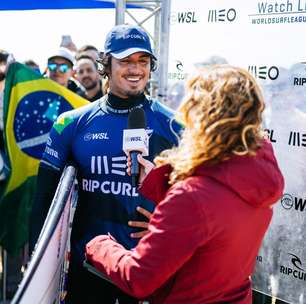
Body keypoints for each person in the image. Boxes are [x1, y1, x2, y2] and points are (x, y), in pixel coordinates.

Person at [85, 65, 285, 303]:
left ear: (203, 116)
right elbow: (211, 225)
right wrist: (157, 180)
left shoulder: (192, 197)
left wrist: (99, 245)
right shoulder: (256, 180)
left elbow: (138, 277)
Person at [30, 24, 181, 304]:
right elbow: (43, 200)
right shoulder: (70, 124)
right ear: (106, 65)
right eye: (125, 61)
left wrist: (167, 226)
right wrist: (35, 264)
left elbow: (200, 201)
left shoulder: (175, 126)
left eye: (143, 61)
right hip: (89, 267)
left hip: (148, 269)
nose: (135, 69)